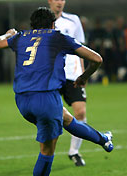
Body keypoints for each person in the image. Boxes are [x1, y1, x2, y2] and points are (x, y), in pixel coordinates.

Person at [0, 7, 114, 176]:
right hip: (46, 99)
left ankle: (103, 140)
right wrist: (83, 77)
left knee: (66, 118)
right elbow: (97, 59)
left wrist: (8, 33)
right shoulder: (58, 37)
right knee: (48, 149)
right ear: (52, 24)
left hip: (22, 100)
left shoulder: (21, 37)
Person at [48, 0, 88, 166]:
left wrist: (83, 74)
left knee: (80, 112)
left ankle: (74, 151)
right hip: (52, 75)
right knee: (53, 116)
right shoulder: (43, 21)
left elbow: (80, 47)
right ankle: (48, 153)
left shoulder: (73, 20)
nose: (60, 2)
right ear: (49, 1)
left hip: (73, 73)